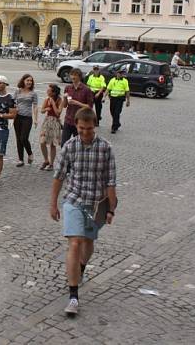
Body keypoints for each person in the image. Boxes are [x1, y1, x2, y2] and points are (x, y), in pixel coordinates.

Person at [50, 108, 117, 317]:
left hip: (96, 204)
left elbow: (110, 182)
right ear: (76, 126)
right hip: (73, 200)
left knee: (88, 243)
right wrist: (53, 203)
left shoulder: (106, 148)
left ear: (94, 126)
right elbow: (59, 176)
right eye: (80, 129)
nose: (85, 133)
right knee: (75, 242)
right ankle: (73, 295)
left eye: (88, 129)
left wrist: (111, 210)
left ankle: (81, 266)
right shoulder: (69, 146)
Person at [61, 69, 94, 145]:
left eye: (75, 75)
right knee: (63, 144)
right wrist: (65, 98)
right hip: (68, 120)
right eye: (72, 75)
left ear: (79, 77)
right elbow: (65, 105)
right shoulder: (68, 88)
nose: (73, 77)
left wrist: (76, 102)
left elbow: (89, 107)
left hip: (80, 122)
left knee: (80, 144)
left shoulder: (86, 90)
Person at [13, 74, 38, 167]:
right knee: (18, 139)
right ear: (23, 81)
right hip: (17, 117)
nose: (29, 82)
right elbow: (13, 102)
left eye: (31, 81)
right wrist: (14, 107)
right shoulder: (17, 91)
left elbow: (35, 106)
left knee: (24, 137)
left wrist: (35, 119)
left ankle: (30, 153)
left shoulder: (33, 93)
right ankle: (20, 159)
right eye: (27, 80)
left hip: (27, 118)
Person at [39, 84, 64, 171]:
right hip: (47, 122)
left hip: (55, 122)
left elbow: (58, 113)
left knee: (53, 144)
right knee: (42, 142)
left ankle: (51, 164)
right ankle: (46, 160)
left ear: (54, 93)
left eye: (49, 90)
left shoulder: (60, 100)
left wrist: (53, 103)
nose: (47, 91)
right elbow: (42, 110)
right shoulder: (47, 99)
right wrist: (46, 109)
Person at [106, 68, 130, 134]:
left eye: (121, 73)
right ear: (117, 73)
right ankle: (117, 123)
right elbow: (108, 89)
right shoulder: (112, 80)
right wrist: (104, 97)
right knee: (112, 112)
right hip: (112, 98)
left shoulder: (125, 81)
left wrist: (128, 101)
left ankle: (113, 128)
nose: (120, 74)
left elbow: (127, 91)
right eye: (119, 73)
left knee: (117, 113)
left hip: (120, 98)